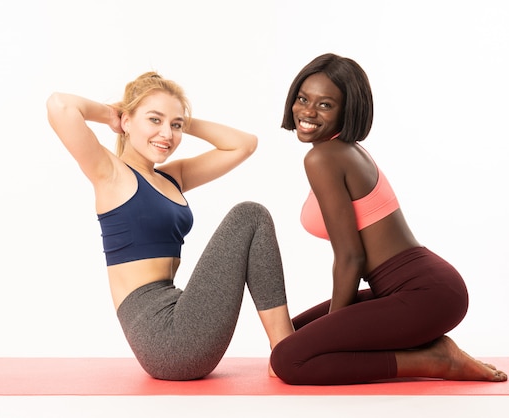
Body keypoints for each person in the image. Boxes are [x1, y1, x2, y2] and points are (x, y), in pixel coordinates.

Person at [270, 53, 507, 385]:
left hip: (425, 294)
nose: (307, 112)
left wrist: (336, 333)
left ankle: (434, 361)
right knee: (291, 337)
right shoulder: (343, 149)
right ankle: (431, 349)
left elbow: (351, 256)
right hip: (415, 289)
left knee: (289, 360)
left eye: (325, 105)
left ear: (347, 110)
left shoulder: (324, 157)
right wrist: (333, 333)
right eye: (303, 99)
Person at [46, 71, 294, 381]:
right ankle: (286, 351)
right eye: (154, 120)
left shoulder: (170, 178)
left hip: (180, 315)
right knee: (249, 215)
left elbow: (244, 145)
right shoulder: (111, 174)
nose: (167, 134)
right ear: (127, 122)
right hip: (164, 340)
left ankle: (286, 350)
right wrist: (112, 113)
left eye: (175, 126)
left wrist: (182, 121)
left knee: (251, 216)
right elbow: (60, 106)